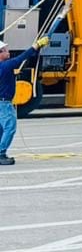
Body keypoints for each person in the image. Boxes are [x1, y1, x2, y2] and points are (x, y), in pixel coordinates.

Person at [0, 36, 49, 165]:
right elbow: (22, 58)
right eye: (5, 50)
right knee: (10, 127)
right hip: (4, 103)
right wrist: (36, 46)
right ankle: (1, 153)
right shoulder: (6, 65)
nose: (8, 51)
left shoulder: (4, 67)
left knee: (1, 128)